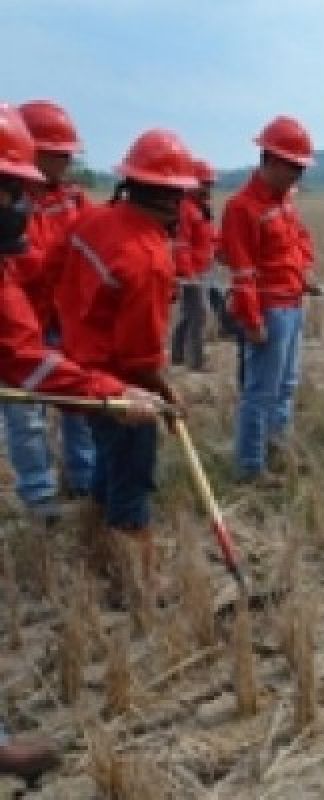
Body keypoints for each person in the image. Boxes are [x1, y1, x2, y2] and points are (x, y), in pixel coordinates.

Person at [0, 105, 161, 779]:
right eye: (11, 191)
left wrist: (101, 386)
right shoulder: (137, 248)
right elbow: (25, 360)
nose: (22, 205)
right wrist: (112, 392)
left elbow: (24, 338)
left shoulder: (31, 249)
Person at [54, 128, 196, 605]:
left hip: (78, 371)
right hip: (115, 383)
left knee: (106, 463)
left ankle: (94, 545)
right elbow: (139, 358)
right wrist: (166, 393)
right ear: (173, 197)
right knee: (132, 472)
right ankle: (135, 582)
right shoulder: (149, 259)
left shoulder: (92, 221)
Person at [1, 100, 95, 519]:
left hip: (63, 320)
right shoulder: (19, 210)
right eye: (60, 154)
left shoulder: (74, 201)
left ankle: (83, 477)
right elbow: (22, 264)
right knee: (26, 415)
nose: (68, 162)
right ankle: (40, 498)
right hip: (25, 324)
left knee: (76, 405)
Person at [220, 116, 316, 483]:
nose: (298, 176)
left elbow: (299, 242)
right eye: (294, 167)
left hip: (292, 305)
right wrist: (251, 318)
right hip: (268, 311)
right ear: (272, 160)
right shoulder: (241, 207)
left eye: (301, 168)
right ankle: (250, 466)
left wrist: (303, 273)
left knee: (287, 386)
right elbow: (242, 270)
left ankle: (279, 449)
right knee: (260, 392)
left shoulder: (287, 201)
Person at [170, 158, 218, 371]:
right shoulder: (185, 209)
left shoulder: (202, 208)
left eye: (210, 184)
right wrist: (189, 276)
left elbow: (209, 237)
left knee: (189, 315)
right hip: (192, 274)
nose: (208, 188)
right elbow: (181, 246)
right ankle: (196, 363)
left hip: (204, 270)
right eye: (204, 184)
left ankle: (178, 355)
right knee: (199, 314)